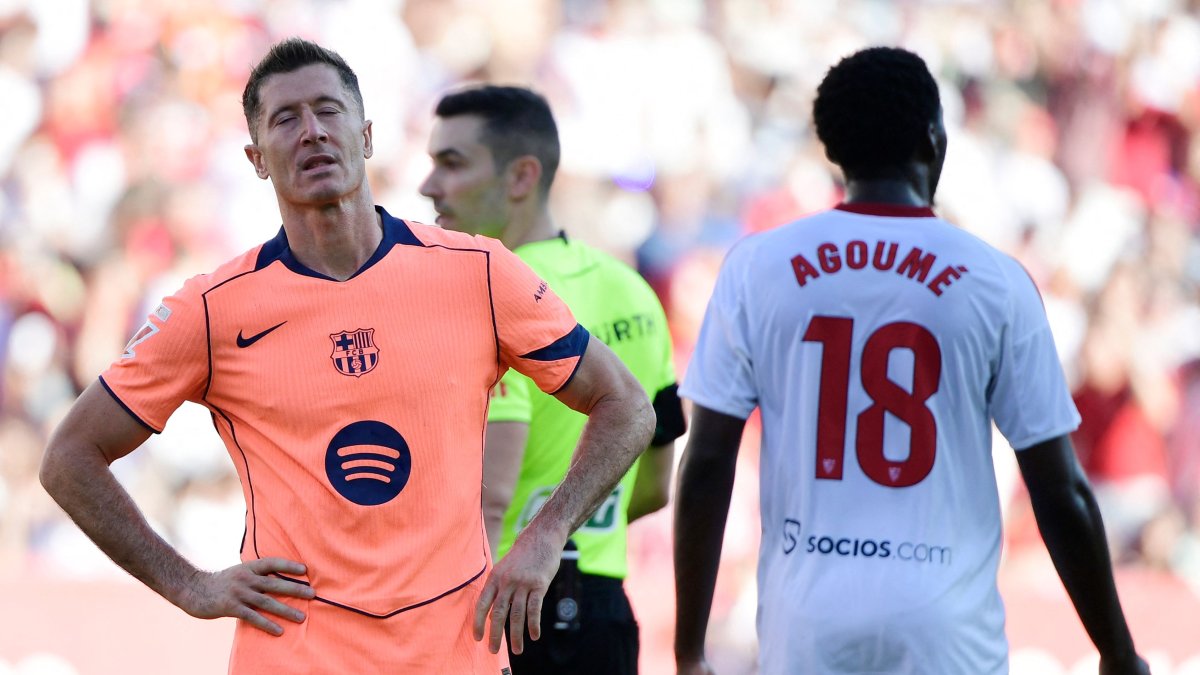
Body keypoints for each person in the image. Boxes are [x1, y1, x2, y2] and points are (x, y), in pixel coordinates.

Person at [38, 38, 655, 674]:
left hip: (451, 655)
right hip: (296, 657)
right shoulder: (213, 309)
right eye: (285, 119)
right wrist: (189, 586)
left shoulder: (479, 272)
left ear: (365, 136)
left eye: (328, 110)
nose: (312, 131)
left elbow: (626, 406)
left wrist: (546, 536)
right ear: (256, 159)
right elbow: (69, 458)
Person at [672, 46, 1151, 675]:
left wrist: (689, 649)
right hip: (947, 633)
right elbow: (1060, 489)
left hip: (807, 628)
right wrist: (1117, 651)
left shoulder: (756, 268)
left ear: (834, 149)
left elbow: (707, 462)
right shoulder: (996, 281)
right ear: (933, 139)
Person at [420, 84, 686, 674]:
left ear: (521, 176)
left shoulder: (490, 296)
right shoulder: (634, 290)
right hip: (606, 616)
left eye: (451, 163)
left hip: (506, 610)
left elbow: (489, 498)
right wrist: (576, 522)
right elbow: (654, 487)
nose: (429, 185)